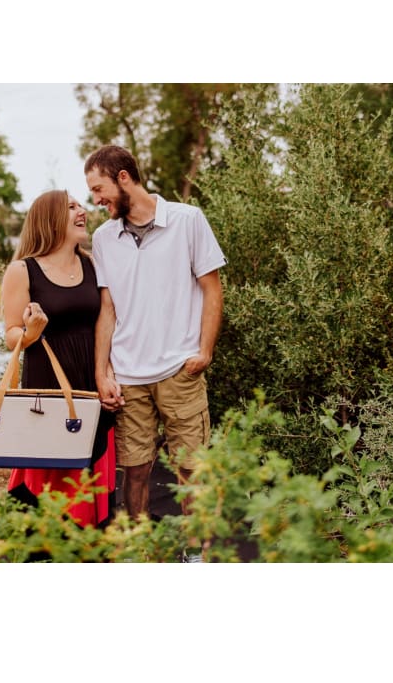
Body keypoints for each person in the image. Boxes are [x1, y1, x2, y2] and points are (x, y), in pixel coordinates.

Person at [86, 145, 227, 521]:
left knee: (192, 471)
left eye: (99, 189)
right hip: (129, 380)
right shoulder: (102, 239)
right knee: (133, 471)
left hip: (180, 371)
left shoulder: (188, 220)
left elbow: (213, 288)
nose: (95, 200)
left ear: (123, 178)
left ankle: (196, 553)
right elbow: (108, 309)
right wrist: (102, 373)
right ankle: (140, 551)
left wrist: (204, 352)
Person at [0, 189, 116, 528]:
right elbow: (11, 335)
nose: (83, 211)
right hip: (48, 392)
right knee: (56, 485)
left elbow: (104, 326)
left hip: (90, 388)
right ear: (49, 218)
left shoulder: (92, 264)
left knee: (91, 473)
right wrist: (31, 331)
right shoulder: (22, 271)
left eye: (82, 205)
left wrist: (107, 374)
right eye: (71, 206)